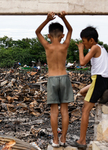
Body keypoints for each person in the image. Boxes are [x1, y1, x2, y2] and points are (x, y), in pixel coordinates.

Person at [35, 11, 74, 148]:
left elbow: (37, 31)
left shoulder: (48, 46)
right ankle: (63, 139)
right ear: (62, 35)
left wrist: (46, 20)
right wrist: (64, 18)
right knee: (64, 110)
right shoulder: (65, 46)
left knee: (54, 112)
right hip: (64, 77)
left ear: (49, 36)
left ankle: (56, 141)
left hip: (52, 78)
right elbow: (70, 29)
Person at [71, 26, 108, 149]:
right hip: (102, 80)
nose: (83, 44)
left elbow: (82, 63)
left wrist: (80, 50)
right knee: (82, 92)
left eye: (84, 41)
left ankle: (82, 141)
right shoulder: (102, 49)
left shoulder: (94, 48)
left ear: (91, 40)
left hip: (98, 80)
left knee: (85, 110)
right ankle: (98, 97)